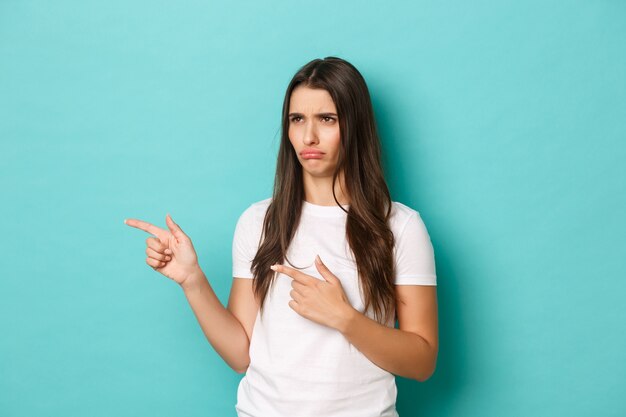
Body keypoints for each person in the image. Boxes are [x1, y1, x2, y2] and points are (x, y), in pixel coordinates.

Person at [125, 56, 438, 417]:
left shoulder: (400, 226)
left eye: (327, 119)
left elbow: (423, 360)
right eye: (297, 119)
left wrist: (344, 318)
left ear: (355, 126)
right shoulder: (259, 221)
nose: (308, 136)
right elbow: (240, 354)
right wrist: (192, 280)